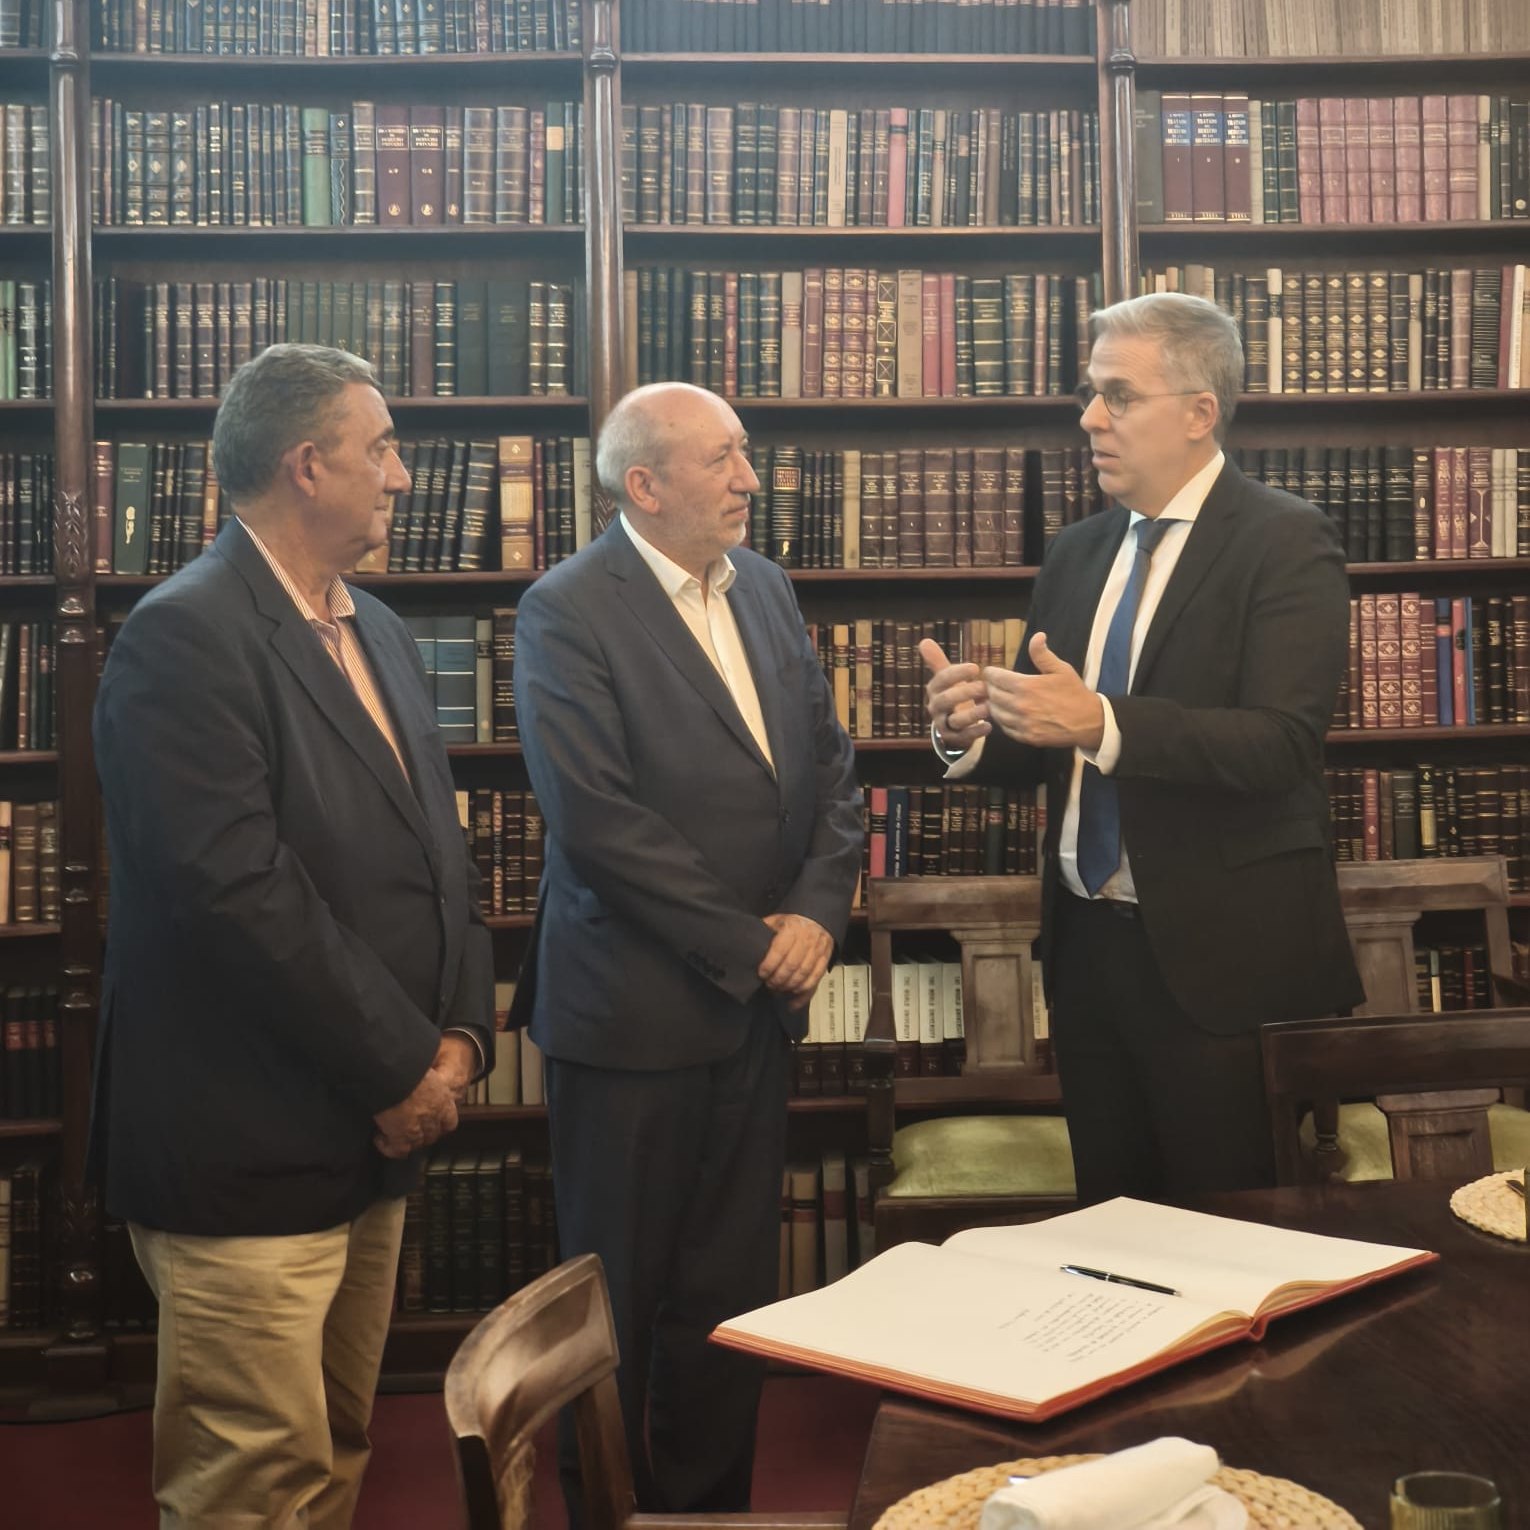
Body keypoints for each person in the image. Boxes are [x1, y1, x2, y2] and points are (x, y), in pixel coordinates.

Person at [90, 343, 495, 1529]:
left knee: (336, 1452)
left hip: (376, 1136)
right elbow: (233, 896)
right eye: (383, 449)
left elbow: (443, 857)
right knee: (253, 1484)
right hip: (248, 1142)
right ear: (307, 465)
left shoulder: (378, 629)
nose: (402, 477)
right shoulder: (183, 635)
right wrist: (402, 1067)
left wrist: (460, 1039)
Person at [923, 291, 1363, 1205]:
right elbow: (1047, 732)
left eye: (1118, 396)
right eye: (1091, 394)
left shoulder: (1286, 539)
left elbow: (1281, 744)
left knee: (1225, 1240)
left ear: (1200, 413)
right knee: (1112, 1225)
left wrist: (1103, 723)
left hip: (1223, 963)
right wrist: (970, 729)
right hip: (1088, 955)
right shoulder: (1078, 552)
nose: (1091, 418)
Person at [510, 380, 863, 1516]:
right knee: (612, 1311)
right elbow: (599, 822)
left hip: (755, 1014)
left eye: (745, 453)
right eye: (724, 459)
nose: (751, 479)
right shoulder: (566, 609)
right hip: (633, 1019)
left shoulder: (765, 585)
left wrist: (816, 913)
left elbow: (830, 768)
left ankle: (711, 1516)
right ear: (645, 485)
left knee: (728, 1302)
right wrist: (751, 944)